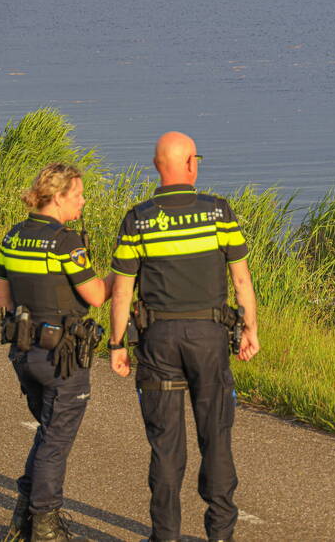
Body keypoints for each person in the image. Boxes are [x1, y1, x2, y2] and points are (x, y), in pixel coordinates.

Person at [107, 132, 259, 542]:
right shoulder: (218, 213)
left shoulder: (137, 218)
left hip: (158, 341)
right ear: (191, 164)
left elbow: (122, 290)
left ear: (158, 167)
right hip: (209, 338)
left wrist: (117, 343)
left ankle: (166, 536)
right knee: (216, 437)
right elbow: (241, 279)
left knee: (166, 446)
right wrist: (250, 328)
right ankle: (220, 533)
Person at [0, 163, 113, 542]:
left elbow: (2, 296)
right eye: (77, 195)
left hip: (23, 351)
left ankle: (22, 519)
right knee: (56, 441)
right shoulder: (66, 242)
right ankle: (45, 526)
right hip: (62, 357)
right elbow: (95, 295)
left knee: (47, 434)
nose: (82, 201)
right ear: (58, 197)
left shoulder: (13, 236)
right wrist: (124, 272)